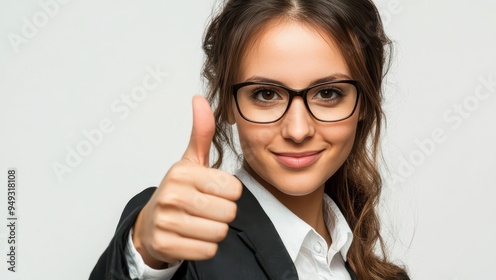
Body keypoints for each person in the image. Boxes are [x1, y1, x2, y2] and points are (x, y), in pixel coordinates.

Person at [90, 0, 410, 279]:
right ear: (228, 103)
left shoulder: (383, 276)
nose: (298, 131)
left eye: (328, 93)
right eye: (266, 94)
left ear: (365, 103)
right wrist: (143, 251)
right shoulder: (191, 247)